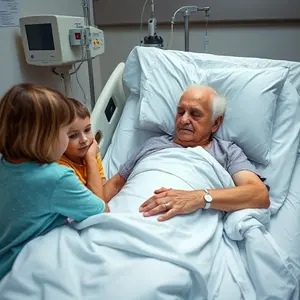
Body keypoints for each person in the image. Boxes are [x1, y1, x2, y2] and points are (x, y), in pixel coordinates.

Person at [105, 85, 270, 221]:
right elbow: (115, 184)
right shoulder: (153, 144)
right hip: (123, 216)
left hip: (179, 227)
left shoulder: (227, 152)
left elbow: (259, 194)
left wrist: (198, 198)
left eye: (195, 114)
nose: (184, 120)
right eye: (180, 112)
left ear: (215, 123)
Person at [0, 84, 109, 280]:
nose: (82, 140)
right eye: (68, 133)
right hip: (22, 266)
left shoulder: (5, 164)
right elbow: (102, 212)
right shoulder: (56, 177)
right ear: (45, 137)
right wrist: (91, 159)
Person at [58, 98, 106, 200]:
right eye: (73, 136)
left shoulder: (91, 151)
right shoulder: (61, 168)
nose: (84, 140)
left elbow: (102, 187)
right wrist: (90, 159)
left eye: (87, 130)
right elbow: (97, 201)